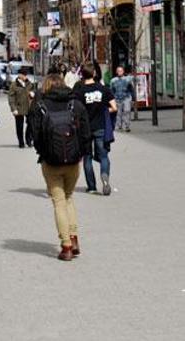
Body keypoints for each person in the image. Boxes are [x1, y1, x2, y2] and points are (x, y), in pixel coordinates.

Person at [28, 73, 91, 261]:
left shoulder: (39, 106)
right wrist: (81, 153)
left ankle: (66, 246)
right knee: (69, 197)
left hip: (51, 161)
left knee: (59, 202)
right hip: (73, 160)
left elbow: (35, 135)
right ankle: (74, 237)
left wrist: (44, 153)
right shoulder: (75, 104)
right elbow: (85, 132)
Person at [72, 63, 118, 195]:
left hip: (85, 128)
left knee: (87, 157)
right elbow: (114, 108)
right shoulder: (103, 89)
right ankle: (105, 176)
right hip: (100, 126)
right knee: (103, 156)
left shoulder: (79, 92)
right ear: (94, 74)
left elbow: (74, 110)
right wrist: (104, 111)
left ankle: (91, 186)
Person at [8, 67, 35, 148]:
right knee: (19, 126)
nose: (25, 77)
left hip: (29, 107)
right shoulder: (14, 84)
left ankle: (28, 139)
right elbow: (11, 97)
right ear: (19, 75)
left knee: (31, 123)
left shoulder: (29, 83)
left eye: (25, 75)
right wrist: (13, 108)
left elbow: (34, 90)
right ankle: (21, 142)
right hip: (19, 107)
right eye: (23, 75)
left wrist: (32, 93)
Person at [109, 66, 134, 132]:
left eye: (121, 71)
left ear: (123, 71)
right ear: (116, 72)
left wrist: (133, 98)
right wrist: (112, 99)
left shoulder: (127, 79)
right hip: (117, 98)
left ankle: (127, 126)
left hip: (126, 97)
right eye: (118, 71)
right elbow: (111, 90)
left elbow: (131, 89)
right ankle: (118, 126)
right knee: (118, 113)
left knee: (127, 111)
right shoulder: (113, 80)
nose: (120, 72)